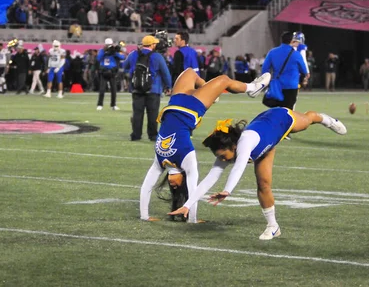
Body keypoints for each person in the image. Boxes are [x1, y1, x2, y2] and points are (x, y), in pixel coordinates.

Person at [168, 107, 347, 239]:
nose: (222, 160)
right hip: (266, 145)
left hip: (279, 118)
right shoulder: (229, 152)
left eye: (223, 156)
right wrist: (188, 204)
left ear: (233, 146)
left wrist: (228, 190)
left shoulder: (245, 142)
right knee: (263, 184)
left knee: (307, 122)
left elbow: (238, 168)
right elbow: (210, 178)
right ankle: (273, 226)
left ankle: (325, 119)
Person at [139, 68, 271, 223]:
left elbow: (146, 187)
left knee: (189, 72)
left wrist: (144, 216)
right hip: (193, 107)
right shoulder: (186, 158)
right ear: (183, 180)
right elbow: (194, 187)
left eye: (170, 185)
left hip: (175, 102)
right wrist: (192, 220)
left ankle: (209, 92)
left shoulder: (160, 160)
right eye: (176, 188)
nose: (172, 185)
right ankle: (253, 88)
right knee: (223, 80)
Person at [124, 35, 172, 142]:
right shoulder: (158, 56)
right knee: (153, 113)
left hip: (137, 88)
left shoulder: (133, 54)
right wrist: (168, 86)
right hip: (153, 89)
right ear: (152, 45)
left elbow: (125, 66)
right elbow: (165, 73)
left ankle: (136, 135)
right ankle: (153, 135)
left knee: (137, 113)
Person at [261, 31, 308, 110]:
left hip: (277, 85)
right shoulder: (296, 54)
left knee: (275, 111)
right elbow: (303, 70)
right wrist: (301, 81)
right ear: (292, 41)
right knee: (288, 112)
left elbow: (265, 69)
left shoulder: (272, 52)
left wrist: (268, 83)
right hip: (291, 86)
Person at [96, 38, 125, 111]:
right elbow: (98, 59)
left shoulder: (114, 51)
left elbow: (122, 57)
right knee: (102, 89)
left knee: (114, 89)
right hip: (104, 71)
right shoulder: (102, 51)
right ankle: (100, 104)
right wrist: (105, 52)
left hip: (112, 72)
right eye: (108, 45)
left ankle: (113, 105)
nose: (109, 46)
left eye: (110, 45)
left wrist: (114, 52)